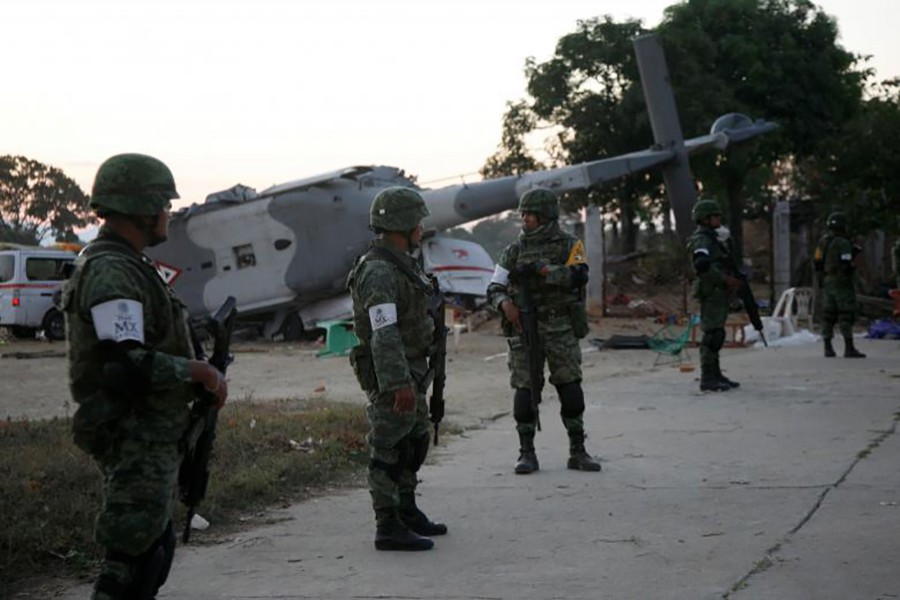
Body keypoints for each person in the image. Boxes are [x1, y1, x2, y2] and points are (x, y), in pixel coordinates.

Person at [61, 154, 228, 599]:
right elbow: (124, 363)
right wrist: (198, 371)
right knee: (132, 562)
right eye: (164, 204)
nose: (168, 214)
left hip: (150, 429)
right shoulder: (112, 270)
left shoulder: (130, 263)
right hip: (132, 431)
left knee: (151, 552)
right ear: (142, 208)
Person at [347, 186, 447, 551]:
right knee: (388, 448)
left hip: (413, 369)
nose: (422, 228)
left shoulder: (402, 263)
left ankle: (406, 510)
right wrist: (397, 384)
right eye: (417, 222)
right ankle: (387, 524)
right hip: (394, 373)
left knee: (414, 442)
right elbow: (383, 332)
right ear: (403, 224)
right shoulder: (378, 271)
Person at [486, 187, 601, 475]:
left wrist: (543, 270)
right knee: (524, 391)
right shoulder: (514, 250)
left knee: (570, 388)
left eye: (531, 215)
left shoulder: (568, 244)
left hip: (560, 327)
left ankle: (578, 450)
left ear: (546, 216)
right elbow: (493, 287)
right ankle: (527, 453)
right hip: (525, 329)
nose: (525, 220)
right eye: (523, 214)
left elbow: (579, 276)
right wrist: (505, 306)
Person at [687, 198, 744, 392]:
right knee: (712, 334)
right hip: (711, 290)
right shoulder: (702, 239)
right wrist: (725, 280)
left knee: (717, 332)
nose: (718, 219)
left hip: (718, 290)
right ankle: (708, 377)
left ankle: (715, 373)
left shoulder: (713, 238)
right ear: (705, 218)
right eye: (715, 216)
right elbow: (702, 264)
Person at [814, 212, 865, 358]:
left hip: (828, 281)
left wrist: (821, 278)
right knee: (846, 314)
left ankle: (827, 347)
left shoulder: (823, 242)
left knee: (828, 315)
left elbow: (817, 261)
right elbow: (846, 263)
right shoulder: (843, 243)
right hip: (841, 282)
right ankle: (849, 348)